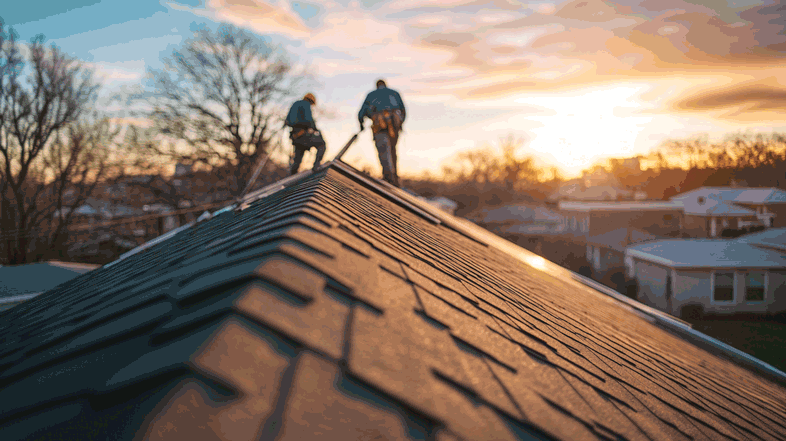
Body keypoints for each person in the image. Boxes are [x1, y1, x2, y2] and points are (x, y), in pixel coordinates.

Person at [358, 79, 406, 186]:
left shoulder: (371, 95)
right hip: (394, 126)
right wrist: (400, 123)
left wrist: (361, 124)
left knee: (384, 150)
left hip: (379, 126)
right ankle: (395, 179)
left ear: (377, 86)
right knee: (392, 151)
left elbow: (361, 112)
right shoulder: (394, 93)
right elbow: (403, 110)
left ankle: (389, 179)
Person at [285, 93, 327, 175]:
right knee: (322, 144)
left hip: (296, 137)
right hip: (303, 136)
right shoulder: (305, 104)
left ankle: (292, 175)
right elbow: (308, 120)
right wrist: (315, 128)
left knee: (297, 159)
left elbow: (287, 121)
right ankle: (316, 166)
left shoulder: (295, 104)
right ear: (311, 101)